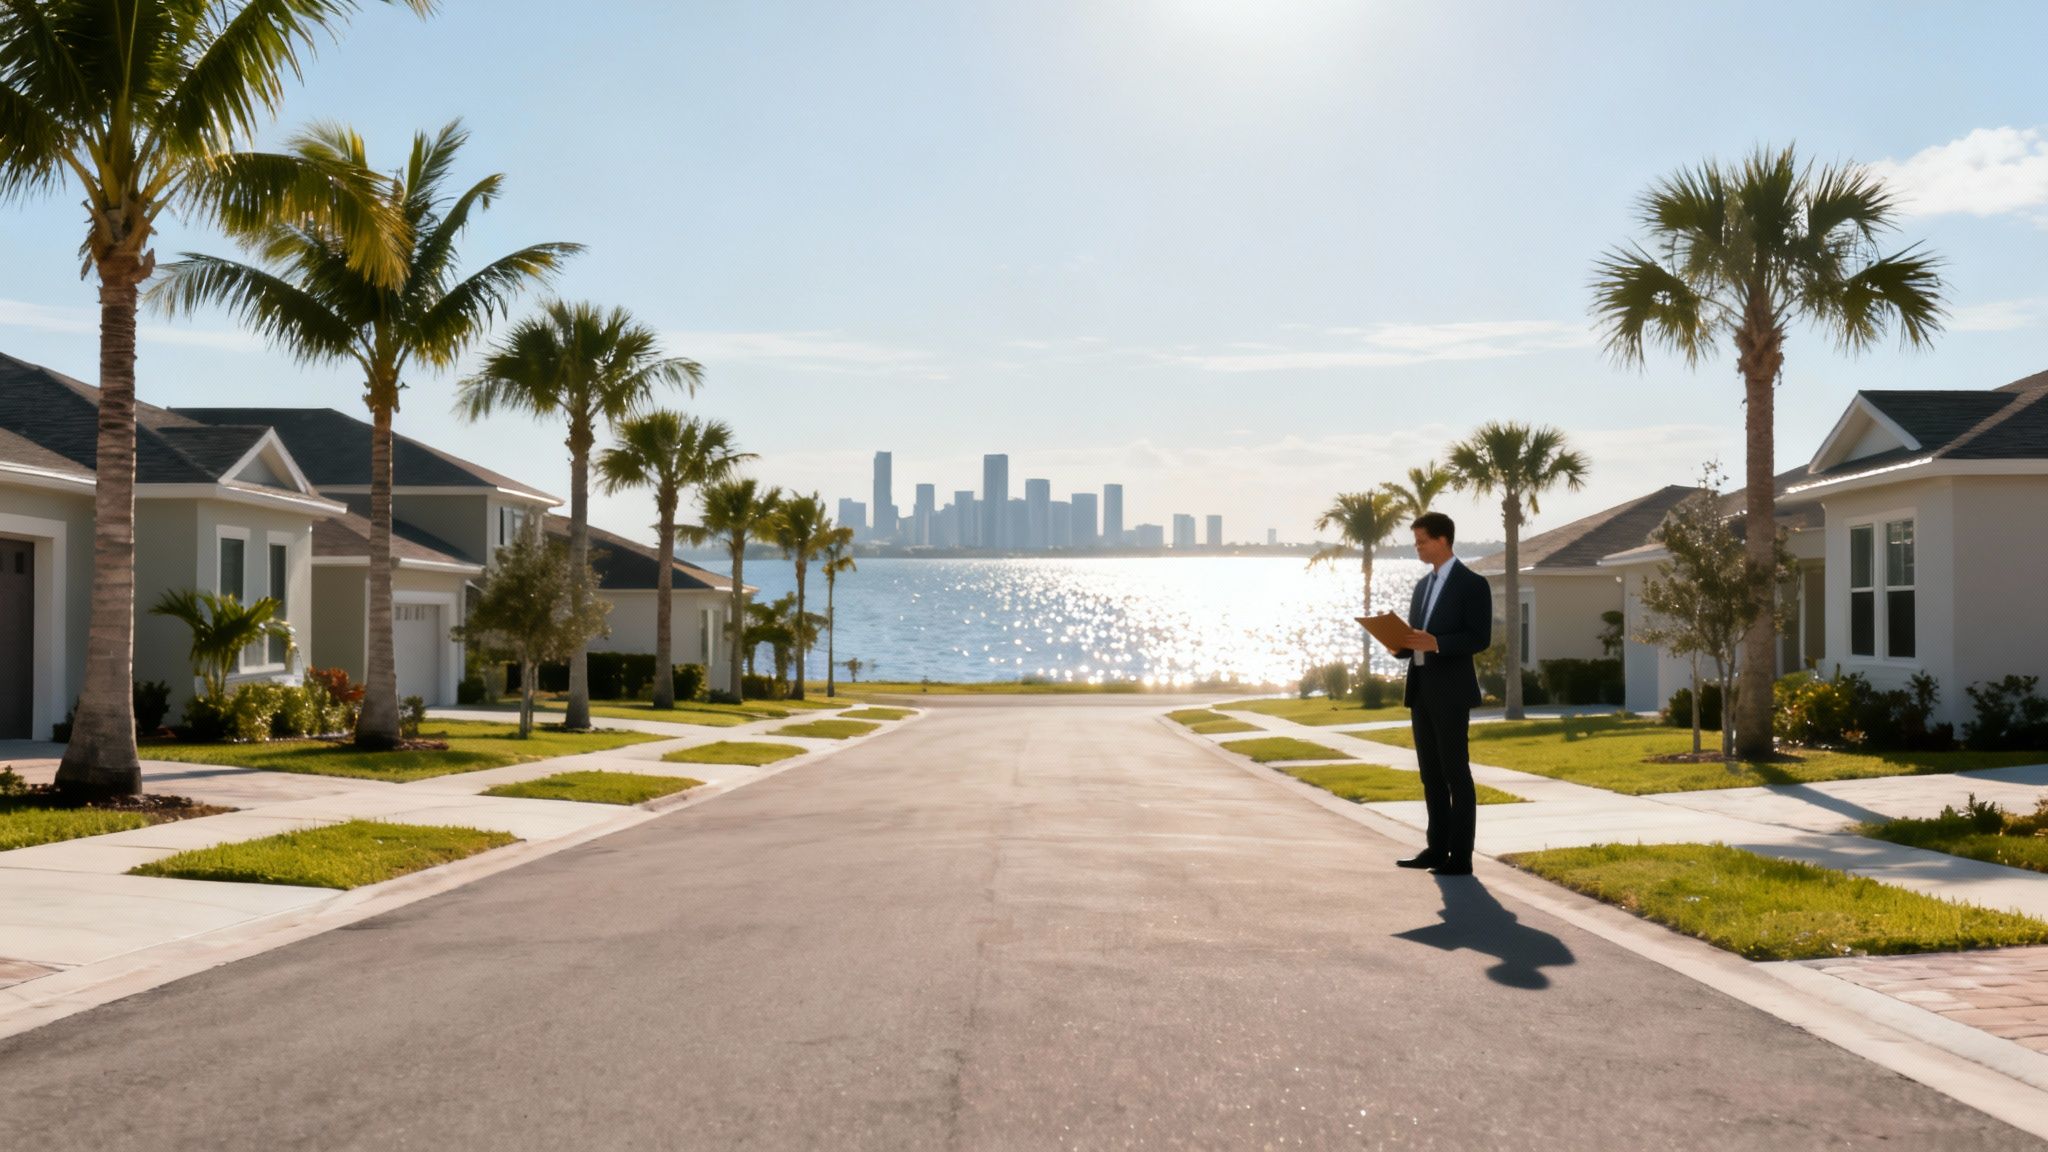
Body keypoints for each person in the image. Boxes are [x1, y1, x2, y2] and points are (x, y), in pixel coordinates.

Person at [1384, 512, 1492, 876]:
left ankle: (1460, 857)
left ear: (1443, 540)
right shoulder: (1421, 587)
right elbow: (1416, 638)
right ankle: (1436, 848)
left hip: (1451, 691)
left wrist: (1439, 644)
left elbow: (1479, 638)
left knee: (1455, 774)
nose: (1417, 548)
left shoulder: (1472, 585)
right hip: (1421, 689)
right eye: (1416, 542)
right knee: (1430, 774)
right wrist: (1396, 644)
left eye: (1422, 541)